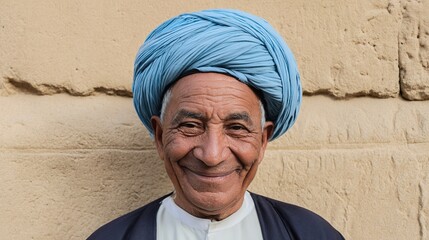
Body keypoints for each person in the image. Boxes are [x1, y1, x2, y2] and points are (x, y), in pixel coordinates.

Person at [88, 9, 345, 240]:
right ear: (160, 136)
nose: (212, 155)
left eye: (236, 128)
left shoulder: (311, 234)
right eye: (190, 125)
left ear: (263, 140)